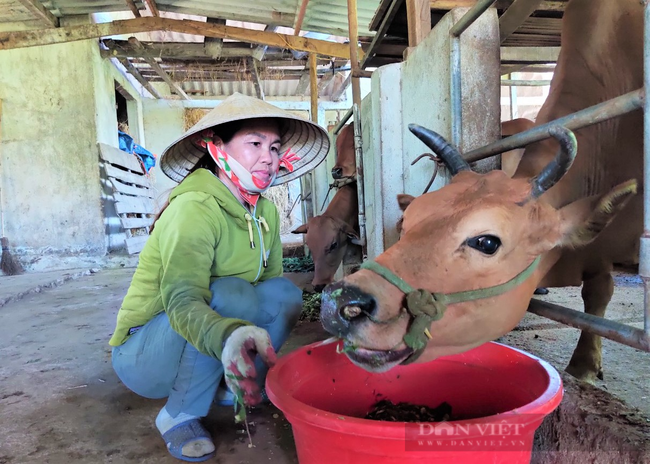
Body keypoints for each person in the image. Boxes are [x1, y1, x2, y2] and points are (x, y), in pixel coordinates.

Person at [109, 93, 330, 462]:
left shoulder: (267, 215)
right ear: (216, 147)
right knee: (232, 294)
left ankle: (233, 387)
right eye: (255, 144)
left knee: (284, 295)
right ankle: (179, 413)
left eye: (275, 147)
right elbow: (182, 301)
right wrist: (228, 335)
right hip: (146, 354)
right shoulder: (194, 208)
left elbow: (269, 289)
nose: (269, 158)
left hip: (205, 338)